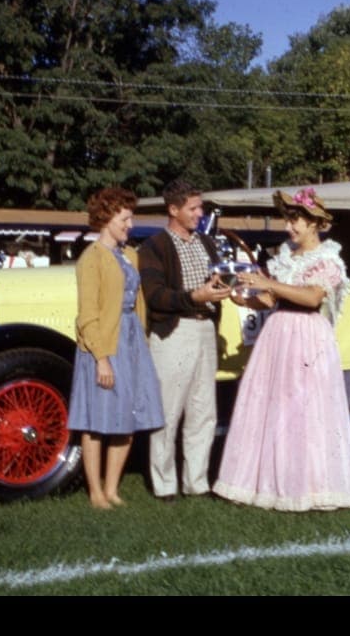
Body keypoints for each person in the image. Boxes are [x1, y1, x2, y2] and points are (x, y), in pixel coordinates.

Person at [213, 187, 350, 512]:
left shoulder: (328, 259)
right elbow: (269, 300)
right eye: (288, 220)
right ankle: (266, 484)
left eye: (295, 221)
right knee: (275, 407)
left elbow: (311, 297)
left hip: (308, 334)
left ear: (313, 223)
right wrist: (242, 296)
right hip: (279, 332)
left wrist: (269, 283)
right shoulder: (285, 257)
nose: (289, 227)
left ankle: (309, 488)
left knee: (305, 409)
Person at [67, 187, 165, 509]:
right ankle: (95, 492)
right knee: (98, 420)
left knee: (129, 417)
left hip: (131, 340)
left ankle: (112, 489)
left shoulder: (130, 256)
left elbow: (137, 303)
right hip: (104, 345)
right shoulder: (91, 259)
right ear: (107, 218)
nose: (130, 224)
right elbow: (87, 314)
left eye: (130, 217)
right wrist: (101, 359)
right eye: (125, 218)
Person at [138, 178, 231, 503]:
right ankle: (164, 484)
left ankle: (197, 482)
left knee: (203, 411)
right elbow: (156, 296)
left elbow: (213, 284)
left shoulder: (207, 243)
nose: (199, 213)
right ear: (173, 209)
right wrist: (195, 296)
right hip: (173, 333)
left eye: (200, 207)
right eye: (193, 208)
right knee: (168, 411)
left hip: (205, 330)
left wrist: (220, 287)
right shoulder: (153, 247)